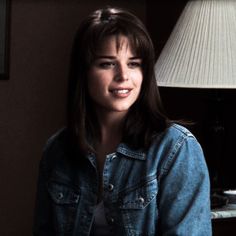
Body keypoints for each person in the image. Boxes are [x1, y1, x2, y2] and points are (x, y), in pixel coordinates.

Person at [33, 6, 212, 236]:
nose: (123, 76)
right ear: (84, 71)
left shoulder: (175, 149)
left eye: (134, 63)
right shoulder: (56, 151)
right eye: (107, 63)